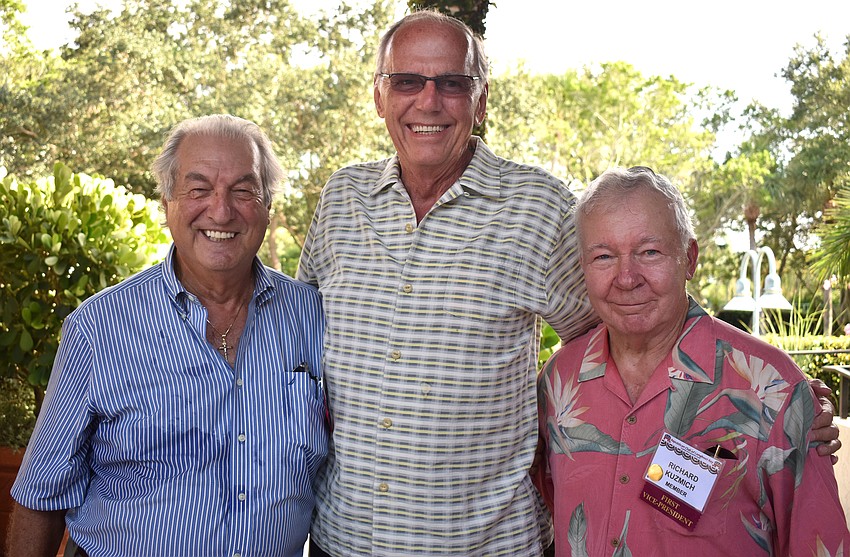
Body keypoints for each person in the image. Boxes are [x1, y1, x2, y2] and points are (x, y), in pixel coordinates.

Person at [297, 10, 840, 557]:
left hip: (484, 546)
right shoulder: (342, 201)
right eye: (407, 81)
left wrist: (767, 400)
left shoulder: (538, 208)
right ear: (379, 96)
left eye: (454, 83)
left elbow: (634, 318)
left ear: (481, 100)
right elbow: (297, 339)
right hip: (344, 538)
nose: (429, 100)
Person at [7, 114, 328, 557]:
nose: (221, 210)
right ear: (166, 202)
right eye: (198, 189)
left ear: (268, 205)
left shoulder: (312, 318)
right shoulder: (100, 328)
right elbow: (40, 497)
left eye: (243, 189)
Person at [536, 166, 850, 555]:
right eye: (603, 256)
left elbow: (819, 544)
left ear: (689, 258)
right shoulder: (557, 383)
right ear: (583, 267)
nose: (627, 277)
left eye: (649, 252)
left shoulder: (771, 388)